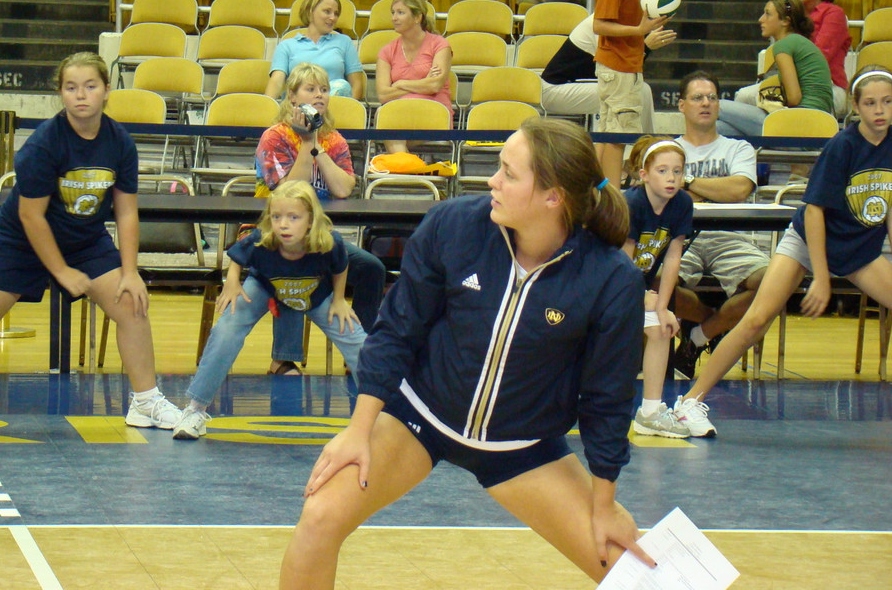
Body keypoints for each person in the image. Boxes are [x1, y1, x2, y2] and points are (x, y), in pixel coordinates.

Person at [279, 116, 655, 589]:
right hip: (419, 419)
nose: (491, 181)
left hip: (523, 449)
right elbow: (397, 330)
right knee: (318, 518)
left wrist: (604, 504)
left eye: (509, 174)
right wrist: (358, 430)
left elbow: (607, 401)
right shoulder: (453, 224)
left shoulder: (611, 278)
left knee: (637, 571)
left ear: (553, 196)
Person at [0, 52, 180, 438]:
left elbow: (126, 212)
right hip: (21, 241)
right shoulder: (44, 143)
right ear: (61, 93)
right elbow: (31, 216)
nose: (81, 95)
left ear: (107, 91)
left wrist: (130, 272)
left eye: (90, 86)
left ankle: (146, 402)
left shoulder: (120, 143)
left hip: (85, 241)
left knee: (132, 304)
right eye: (71, 87)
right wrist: (60, 272)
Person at [674, 66, 892, 438]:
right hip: (808, 240)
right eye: (870, 103)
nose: (879, 110)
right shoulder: (843, 145)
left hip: (859, 250)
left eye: (887, 102)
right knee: (755, 320)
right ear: (855, 106)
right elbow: (815, 210)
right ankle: (689, 403)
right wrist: (819, 276)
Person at [172, 180, 368, 440]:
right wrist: (232, 283)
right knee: (228, 327)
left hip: (314, 293)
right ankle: (195, 409)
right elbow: (237, 256)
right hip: (265, 287)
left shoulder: (329, 241)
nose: (283, 224)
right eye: (276, 217)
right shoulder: (262, 239)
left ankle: (387, 409)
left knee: (355, 338)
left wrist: (340, 299)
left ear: (310, 220)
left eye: (293, 217)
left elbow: (341, 266)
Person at [255, 62, 385, 376]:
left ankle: (359, 351)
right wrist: (304, 144)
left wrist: (316, 146)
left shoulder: (334, 139)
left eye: (324, 89)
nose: (320, 96)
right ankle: (284, 358)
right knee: (293, 262)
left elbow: (343, 188)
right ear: (292, 96)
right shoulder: (274, 138)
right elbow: (288, 192)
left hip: (318, 236)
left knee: (371, 268)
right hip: (276, 235)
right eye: (311, 89)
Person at [670, 71, 770, 380]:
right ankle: (711, 321)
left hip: (730, 236)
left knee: (774, 283)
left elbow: (739, 190)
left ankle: (699, 335)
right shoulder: (667, 150)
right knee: (648, 281)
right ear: (681, 105)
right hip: (680, 236)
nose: (706, 103)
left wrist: (688, 181)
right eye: (698, 97)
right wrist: (715, 188)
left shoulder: (738, 148)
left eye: (712, 97)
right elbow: (663, 194)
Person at [593, 0, 675, 186]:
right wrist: (639, 31)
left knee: (607, 133)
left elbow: (641, 4)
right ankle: (613, 197)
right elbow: (600, 24)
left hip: (622, 64)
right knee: (617, 138)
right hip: (618, 66)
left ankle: (600, 191)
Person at [623, 137, 693, 439]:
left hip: (635, 285)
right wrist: (639, 296)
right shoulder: (632, 203)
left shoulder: (682, 204)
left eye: (677, 171)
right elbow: (620, 260)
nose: (671, 178)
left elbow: (673, 257)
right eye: (663, 171)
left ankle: (650, 413)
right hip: (605, 281)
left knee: (662, 327)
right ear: (644, 175)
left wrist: (663, 307)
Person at [735, 0, 849, 117]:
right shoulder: (792, 16)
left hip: (827, 87)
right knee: (743, 96)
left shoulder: (833, 13)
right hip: (792, 82)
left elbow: (820, 56)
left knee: (748, 97)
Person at [540, 2, 675, 128]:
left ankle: (646, 145)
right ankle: (644, 144)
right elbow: (619, 72)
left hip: (575, 86)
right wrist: (646, 47)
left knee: (639, 89)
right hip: (554, 91)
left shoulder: (620, 24)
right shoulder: (602, 26)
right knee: (636, 91)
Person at [717, 0, 834, 138]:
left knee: (715, 106)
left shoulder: (783, 46)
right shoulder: (799, 42)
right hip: (818, 128)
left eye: (768, 14)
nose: (761, 19)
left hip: (799, 127)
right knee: (718, 129)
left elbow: (794, 98)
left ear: (785, 21)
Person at [374, 0, 452, 153]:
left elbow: (435, 86)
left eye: (400, 13)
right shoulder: (387, 51)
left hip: (433, 112)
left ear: (417, 17)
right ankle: (409, 172)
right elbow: (383, 95)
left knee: (393, 132)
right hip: (399, 114)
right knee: (384, 114)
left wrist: (401, 84)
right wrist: (422, 83)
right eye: (393, 13)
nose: (394, 18)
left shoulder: (439, 45)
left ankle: (404, 173)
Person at [266, 0, 365, 102]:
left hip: (332, 110)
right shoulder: (286, 46)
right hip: (297, 110)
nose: (333, 17)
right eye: (327, 11)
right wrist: (266, 108)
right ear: (310, 12)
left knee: (342, 85)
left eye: (336, 13)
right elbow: (276, 81)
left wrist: (348, 112)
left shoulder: (344, 42)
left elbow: (357, 85)